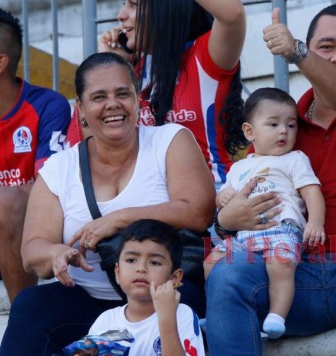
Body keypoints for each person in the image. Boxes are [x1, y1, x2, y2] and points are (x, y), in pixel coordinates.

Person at [205, 3, 336, 355]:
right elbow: (241, 197)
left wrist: (297, 52)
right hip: (290, 277)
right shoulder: (283, 126)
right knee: (227, 272)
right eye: (327, 47)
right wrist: (225, 221)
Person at [0, 52, 215, 355]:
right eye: (99, 96)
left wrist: (120, 218)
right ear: (81, 109)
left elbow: (199, 210)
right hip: (90, 302)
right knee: (31, 305)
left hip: (163, 297)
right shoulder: (59, 169)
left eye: (123, 93)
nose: (113, 104)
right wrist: (56, 253)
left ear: (137, 100)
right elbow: (32, 250)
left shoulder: (169, 140)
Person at [68, 0, 247, 188]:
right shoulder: (132, 71)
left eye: (133, 4)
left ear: (163, 9)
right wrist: (110, 67)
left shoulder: (203, 56)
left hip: (214, 199)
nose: (121, 15)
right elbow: (89, 148)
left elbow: (232, 14)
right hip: (150, 202)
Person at [204, 87, 326, 339]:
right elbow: (224, 197)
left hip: (282, 230)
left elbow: (312, 192)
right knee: (211, 261)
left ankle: (277, 316)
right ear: (250, 131)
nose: (284, 131)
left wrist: (315, 222)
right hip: (243, 237)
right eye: (273, 124)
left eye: (291, 125)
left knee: (280, 265)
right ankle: (219, 311)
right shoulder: (239, 167)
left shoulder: (294, 159)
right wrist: (222, 197)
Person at [0, 8, 71, 302]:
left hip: (34, 226)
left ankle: (20, 316)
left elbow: (48, 184)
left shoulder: (47, 105)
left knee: (9, 200)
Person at [88, 219, 205, 356]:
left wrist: (166, 317)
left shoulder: (182, 315)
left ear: (174, 278)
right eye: (131, 260)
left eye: (155, 262)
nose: (141, 268)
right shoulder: (106, 321)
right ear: (117, 273)